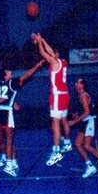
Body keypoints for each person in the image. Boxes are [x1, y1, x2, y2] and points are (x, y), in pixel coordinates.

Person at [0, 59, 45, 177]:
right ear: (5, 76)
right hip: (6, 113)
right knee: (9, 139)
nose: (11, 73)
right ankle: (9, 164)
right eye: (9, 72)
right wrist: (36, 66)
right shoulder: (10, 83)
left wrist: (12, 102)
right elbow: (26, 75)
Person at [31, 32, 72, 166]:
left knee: (55, 123)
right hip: (65, 94)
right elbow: (49, 51)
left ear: (56, 54)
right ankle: (67, 142)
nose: (51, 54)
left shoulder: (54, 62)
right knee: (64, 119)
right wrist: (42, 39)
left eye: (53, 53)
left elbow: (44, 53)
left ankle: (56, 151)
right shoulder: (64, 62)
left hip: (57, 95)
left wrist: (39, 42)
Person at [68, 78, 98, 178]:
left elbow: (87, 112)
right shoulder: (80, 96)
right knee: (77, 144)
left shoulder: (84, 95)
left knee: (87, 146)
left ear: (82, 85)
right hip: (84, 122)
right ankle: (90, 166)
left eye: (78, 82)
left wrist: (74, 121)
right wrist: (76, 116)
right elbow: (83, 112)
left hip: (90, 121)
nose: (75, 84)